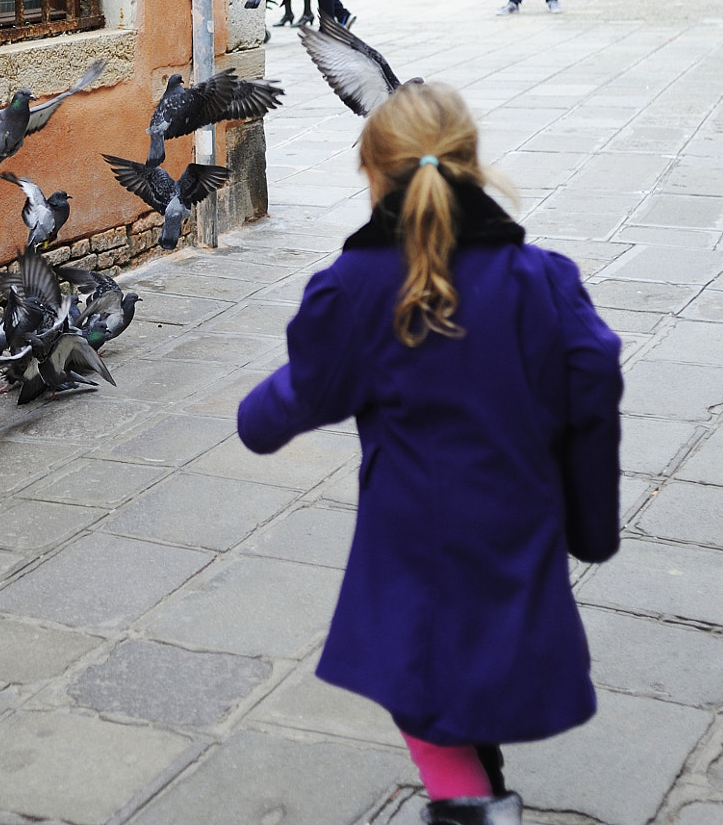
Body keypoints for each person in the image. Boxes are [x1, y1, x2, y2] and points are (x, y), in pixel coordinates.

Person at [237, 81, 623, 825]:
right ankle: (478, 784)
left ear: (375, 176)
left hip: (413, 540)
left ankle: (472, 805)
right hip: (517, 524)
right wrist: (590, 519)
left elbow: (309, 388)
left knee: (418, 681)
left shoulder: (358, 286)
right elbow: (593, 383)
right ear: (471, 166)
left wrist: (257, 417)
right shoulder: (543, 280)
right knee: (466, 671)